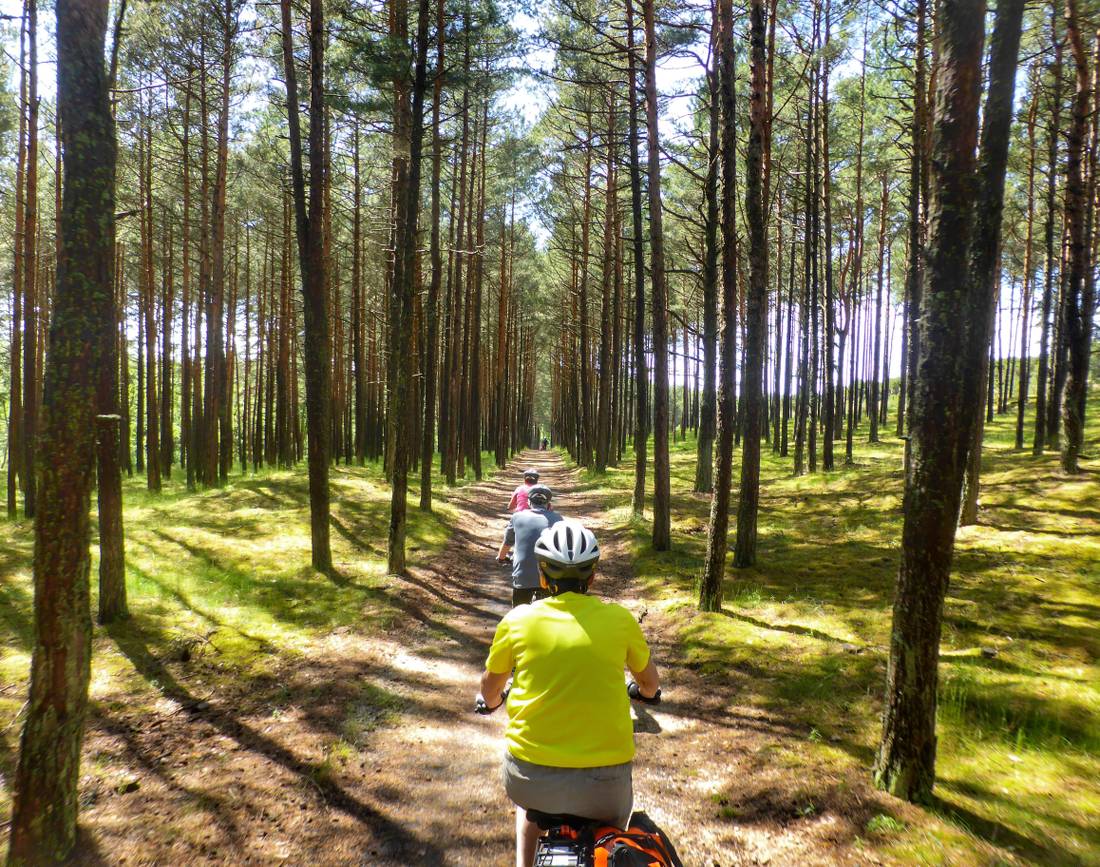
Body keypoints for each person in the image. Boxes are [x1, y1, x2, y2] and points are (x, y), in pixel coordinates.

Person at [479, 519, 661, 867]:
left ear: (543, 577)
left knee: (529, 811)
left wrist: (491, 702)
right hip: (605, 783)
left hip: (529, 778)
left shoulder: (517, 620)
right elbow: (651, 685)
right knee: (610, 839)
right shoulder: (620, 620)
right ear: (592, 577)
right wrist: (642, 692)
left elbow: (489, 690)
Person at [497, 485, 561, 606]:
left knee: (518, 613)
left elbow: (507, 542)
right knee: (549, 611)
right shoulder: (558, 519)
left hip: (523, 575)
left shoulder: (517, 517)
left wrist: (501, 558)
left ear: (528, 501)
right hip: (550, 575)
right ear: (548, 503)